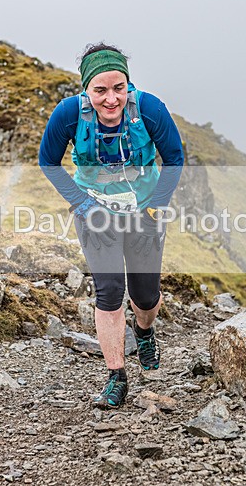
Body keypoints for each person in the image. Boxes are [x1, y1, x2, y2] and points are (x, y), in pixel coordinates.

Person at [39, 43, 184, 408]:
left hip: (145, 210)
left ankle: (145, 330)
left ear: (128, 85)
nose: (111, 99)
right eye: (100, 90)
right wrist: (81, 203)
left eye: (118, 88)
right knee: (108, 290)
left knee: (145, 296)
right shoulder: (68, 114)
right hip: (95, 213)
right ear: (86, 90)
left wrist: (156, 209)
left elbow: (176, 158)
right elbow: (48, 161)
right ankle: (116, 376)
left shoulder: (148, 108)